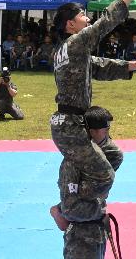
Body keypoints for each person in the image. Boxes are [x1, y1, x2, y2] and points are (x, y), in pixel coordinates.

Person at [49, 0, 136, 258]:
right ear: (71, 24)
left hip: (75, 124)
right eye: (82, 15)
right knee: (104, 175)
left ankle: (75, 197)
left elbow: (100, 66)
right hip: (70, 126)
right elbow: (109, 19)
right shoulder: (76, 42)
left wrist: (132, 66)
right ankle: (69, 210)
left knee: (113, 155)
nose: (87, 19)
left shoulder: (67, 50)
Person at [50, 106, 123, 258]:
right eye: (106, 129)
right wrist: (60, 211)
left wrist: (59, 211)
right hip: (81, 234)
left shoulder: (110, 153)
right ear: (92, 132)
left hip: (94, 227)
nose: (108, 136)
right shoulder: (72, 162)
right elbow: (71, 208)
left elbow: (85, 194)